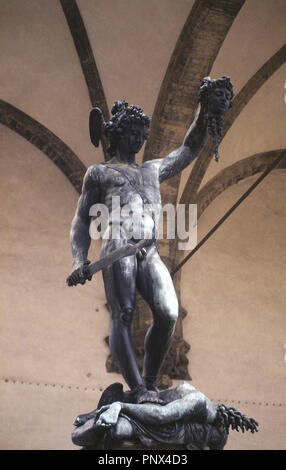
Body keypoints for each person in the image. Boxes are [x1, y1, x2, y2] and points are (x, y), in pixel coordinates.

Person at [66, 76, 234, 403]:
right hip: (118, 246)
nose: (140, 139)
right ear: (118, 134)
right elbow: (81, 221)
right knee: (124, 314)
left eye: (142, 134)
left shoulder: (152, 170)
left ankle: (150, 381)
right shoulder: (99, 173)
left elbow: (188, 149)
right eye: (133, 133)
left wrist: (204, 109)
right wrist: (78, 259)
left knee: (168, 313)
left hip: (149, 251)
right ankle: (140, 391)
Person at [71, 381, 258, 450]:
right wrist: (118, 406)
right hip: (154, 418)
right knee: (110, 431)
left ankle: (99, 414)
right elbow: (161, 415)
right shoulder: (197, 401)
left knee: (113, 431)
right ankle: (106, 410)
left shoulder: (208, 425)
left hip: (159, 422)